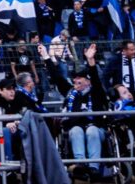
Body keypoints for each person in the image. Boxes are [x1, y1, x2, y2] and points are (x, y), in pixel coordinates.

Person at [40, 42, 107, 179]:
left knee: (91, 130)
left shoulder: (96, 91)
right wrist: (46, 57)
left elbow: (95, 76)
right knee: (76, 130)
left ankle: (94, 167)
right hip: (74, 128)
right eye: (74, 78)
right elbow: (57, 78)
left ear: (88, 81)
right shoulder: (70, 92)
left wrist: (90, 60)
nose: (75, 80)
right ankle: (80, 165)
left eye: (79, 78)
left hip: (96, 127)